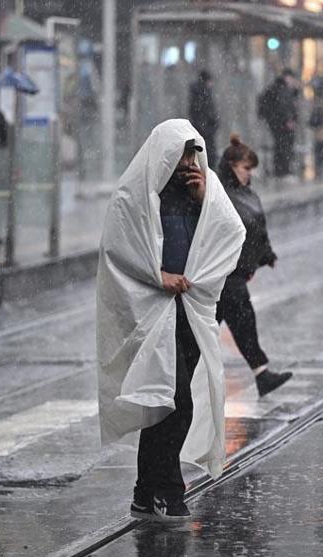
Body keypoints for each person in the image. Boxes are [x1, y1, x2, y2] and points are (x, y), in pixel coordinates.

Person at [96, 120, 245, 523]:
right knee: (175, 399)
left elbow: (232, 232)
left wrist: (204, 199)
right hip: (152, 313)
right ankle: (169, 491)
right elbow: (118, 248)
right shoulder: (138, 193)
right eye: (180, 155)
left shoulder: (203, 191)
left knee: (163, 403)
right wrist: (157, 276)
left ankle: (144, 494)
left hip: (190, 311)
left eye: (193, 155)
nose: (187, 164)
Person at [216, 134, 292, 396]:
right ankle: (262, 374)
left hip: (237, 273)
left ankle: (262, 374)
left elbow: (257, 228)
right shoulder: (218, 195)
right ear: (231, 166)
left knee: (232, 324)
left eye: (251, 169)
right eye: (246, 168)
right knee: (240, 321)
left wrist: (266, 254)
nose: (249, 174)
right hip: (225, 274)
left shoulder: (247, 194)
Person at [258, 69, 299, 178]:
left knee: (281, 145)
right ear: (287, 77)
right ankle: (282, 171)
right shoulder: (281, 89)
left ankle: (281, 170)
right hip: (280, 123)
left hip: (277, 122)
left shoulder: (281, 89)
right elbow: (283, 106)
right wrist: (288, 120)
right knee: (283, 145)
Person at [188, 70, 219, 163]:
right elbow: (208, 111)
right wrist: (212, 124)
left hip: (202, 128)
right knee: (208, 154)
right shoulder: (204, 93)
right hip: (205, 129)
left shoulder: (197, 93)